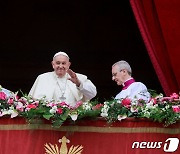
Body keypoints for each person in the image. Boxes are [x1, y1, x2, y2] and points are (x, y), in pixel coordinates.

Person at [29, 51, 97, 107]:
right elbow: (32, 101)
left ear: (68, 64)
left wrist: (78, 83)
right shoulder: (43, 78)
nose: (60, 66)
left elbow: (93, 94)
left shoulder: (78, 77)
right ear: (53, 64)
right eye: (58, 63)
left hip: (74, 119)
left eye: (63, 63)